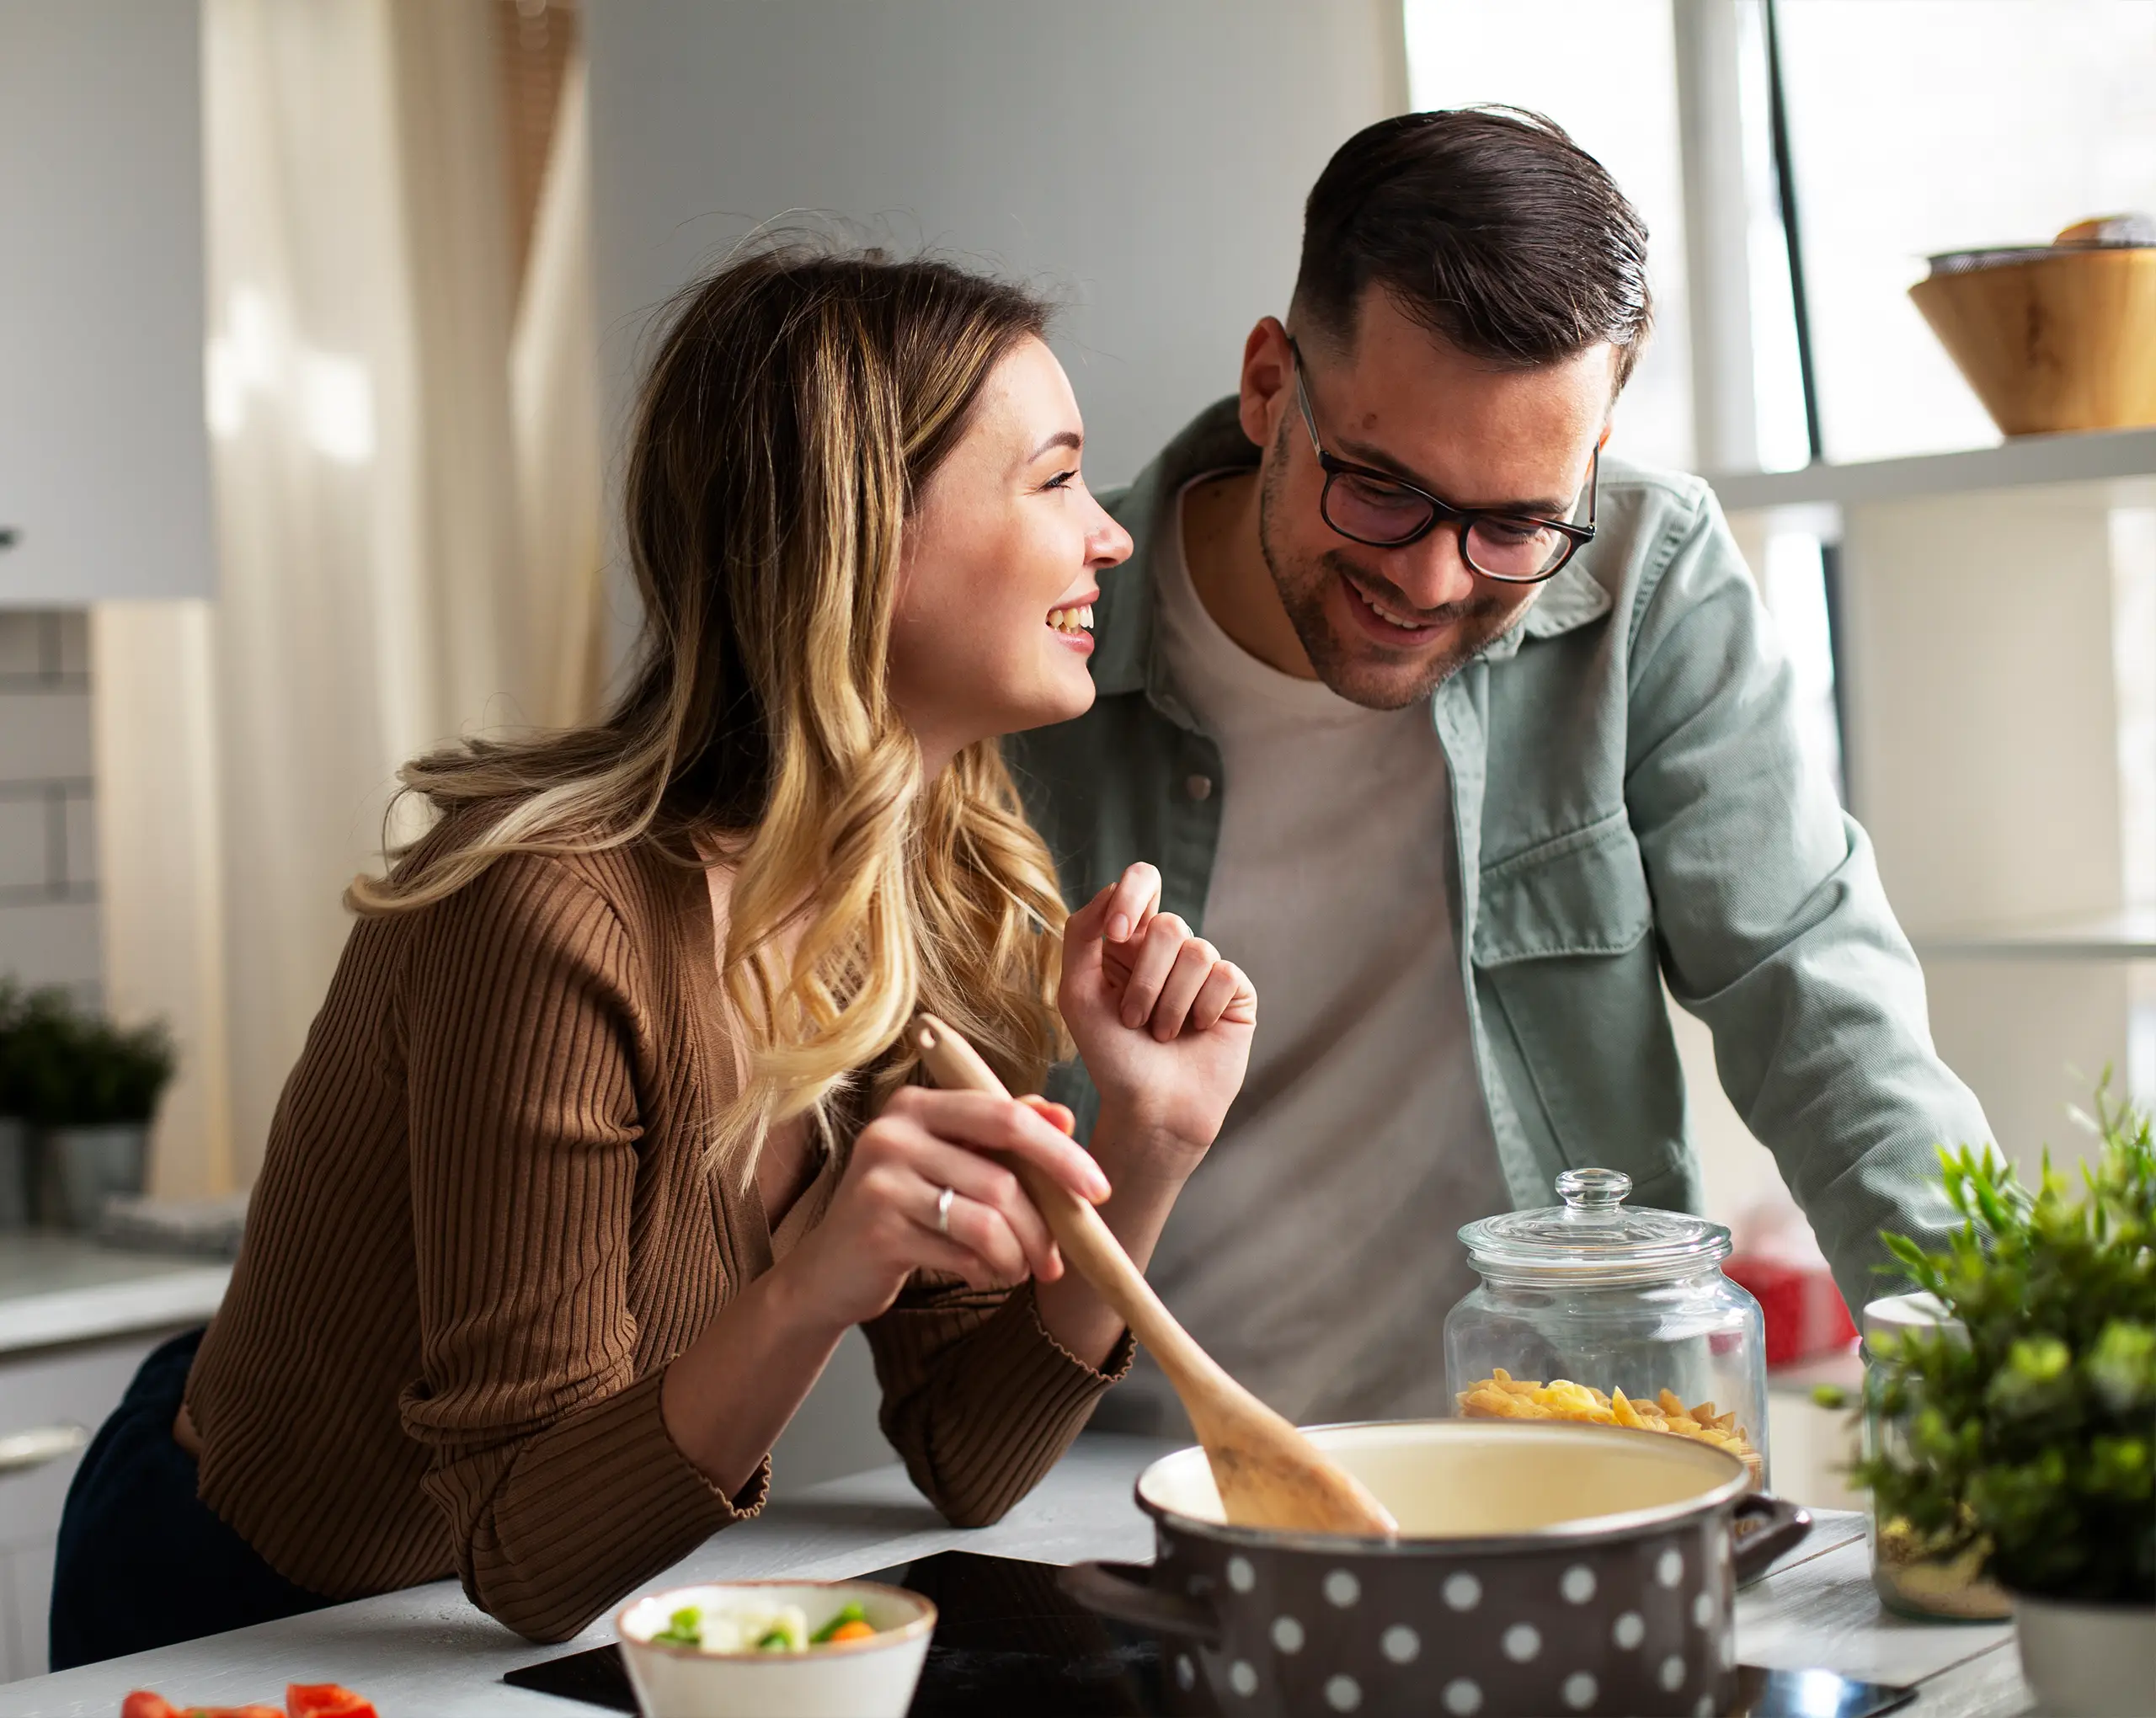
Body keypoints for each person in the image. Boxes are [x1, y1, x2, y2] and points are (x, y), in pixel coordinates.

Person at [50, 248, 1257, 1666]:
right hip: (247, 1614)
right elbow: (519, 1546)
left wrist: (1153, 1145)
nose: (1108, 536)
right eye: (1053, 479)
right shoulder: (548, 914)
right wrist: (810, 1286)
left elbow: (971, 1457)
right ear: (861, 535)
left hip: (520, 1624)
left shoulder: (938, 888)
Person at [1008, 108, 1988, 1436]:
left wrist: (2001, 1394)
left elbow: (1820, 1002)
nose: (1430, 579)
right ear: (1266, 387)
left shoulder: (1647, 571)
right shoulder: (1036, 627)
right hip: (1132, 1485)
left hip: (1567, 1454)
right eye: (1382, 489)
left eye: (1516, 523)